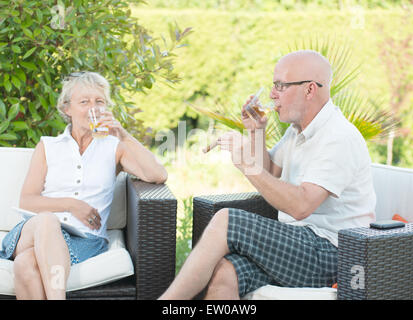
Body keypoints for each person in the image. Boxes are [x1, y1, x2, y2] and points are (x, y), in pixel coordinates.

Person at [159, 50, 376, 300]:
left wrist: (247, 166)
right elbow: (271, 170)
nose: (273, 94)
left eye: (280, 86)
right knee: (225, 273)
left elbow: (302, 205)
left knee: (226, 220)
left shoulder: (338, 137)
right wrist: (256, 131)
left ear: (310, 90)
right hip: (298, 246)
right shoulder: (298, 131)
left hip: (334, 254)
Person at [0, 71, 168, 300]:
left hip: (85, 241)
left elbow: (158, 174)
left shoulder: (114, 147)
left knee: (25, 264)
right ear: (67, 108)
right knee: (48, 220)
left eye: (99, 101)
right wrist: (71, 205)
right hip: (33, 231)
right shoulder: (48, 146)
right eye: (84, 101)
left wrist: (124, 135)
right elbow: (27, 200)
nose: (93, 108)